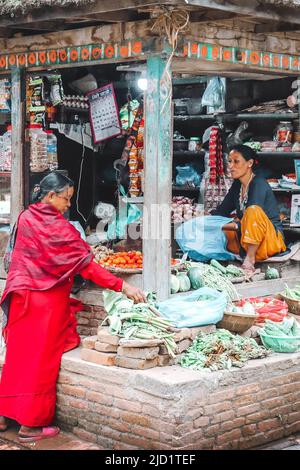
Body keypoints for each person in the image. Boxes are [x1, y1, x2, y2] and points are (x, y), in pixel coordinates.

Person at [0, 172, 146, 442]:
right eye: (66, 199)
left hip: (22, 297)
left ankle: (4, 415)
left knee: (18, 359)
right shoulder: (57, 227)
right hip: (44, 304)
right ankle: (30, 426)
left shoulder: (25, 217)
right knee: (40, 364)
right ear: (51, 196)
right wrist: (123, 287)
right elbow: (87, 267)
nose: (69, 205)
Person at [211, 144, 286, 275]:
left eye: (236, 161)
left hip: (270, 241)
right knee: (218, 225)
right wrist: (206, 219)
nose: (230, 166)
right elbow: (222, 211)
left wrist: (233, 223)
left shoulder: (259, 183)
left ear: (249, 163)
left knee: (252, 210)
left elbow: (251, 217)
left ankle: (250, 259)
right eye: (229, 161)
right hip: (246, 241)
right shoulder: (237, 185)